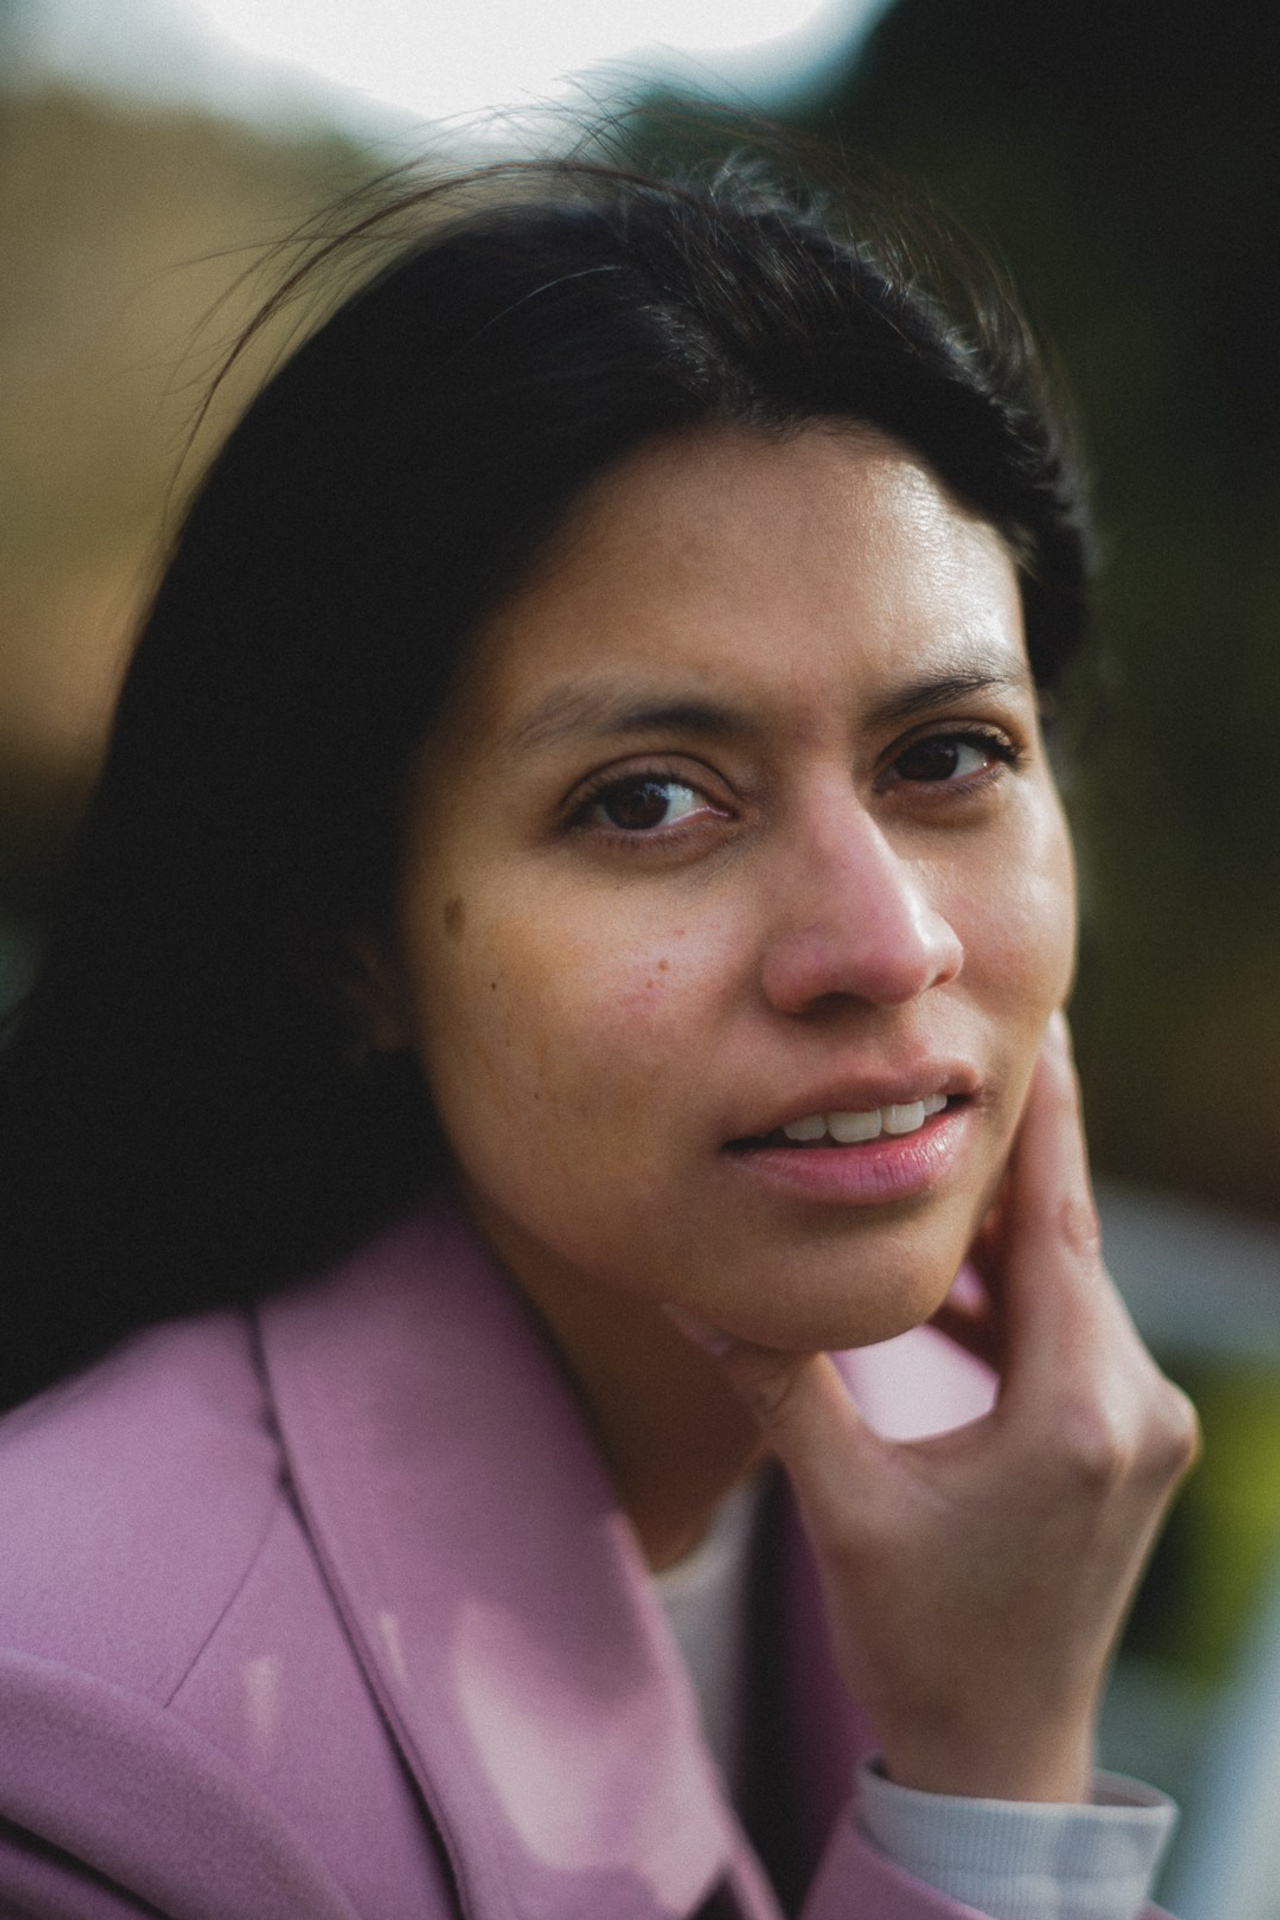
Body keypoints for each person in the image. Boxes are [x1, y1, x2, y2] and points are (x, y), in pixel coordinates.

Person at [0, 149, 1198, 1920]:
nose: (888, 941)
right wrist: (992, 1795)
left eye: (948, 755)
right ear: (352, 938)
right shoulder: (81, 1736)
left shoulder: (977, 1455)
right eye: (648, 801)